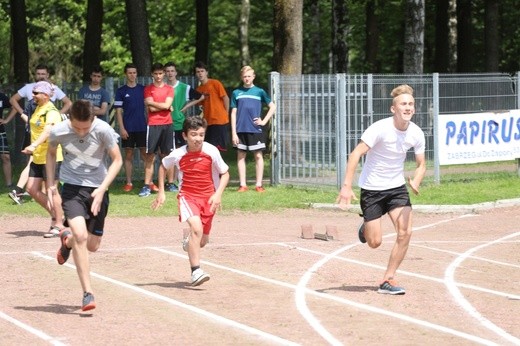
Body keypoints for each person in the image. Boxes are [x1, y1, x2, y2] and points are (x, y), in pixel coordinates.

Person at [336, 84, 426, 295]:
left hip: (396, 188)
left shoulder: (416, 133)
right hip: (372, 189)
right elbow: (356, 154)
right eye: (403, 104)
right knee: (374, 243)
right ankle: (366, 227)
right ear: (393, 108)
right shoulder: (379, 128)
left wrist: (416, 181)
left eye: (411, 104)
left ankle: (388, 279)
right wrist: (346, 187)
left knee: (405, 232)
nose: (408, 107)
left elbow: (422, 164)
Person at [46, 99, 122, 312]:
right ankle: (87, 293)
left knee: (92, 245)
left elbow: (117, 160)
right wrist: (52, 185)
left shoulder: (103, 130)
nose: (81, 132)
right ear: (69, 119)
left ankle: (67, 241)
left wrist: (101, 189)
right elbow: (50, 154)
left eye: (85, 128)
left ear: (93, 119)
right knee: (81, 235)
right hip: (71, 188)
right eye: (76, 127)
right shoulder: (58, 131)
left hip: (98, 188)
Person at [151, 116, 229, 286]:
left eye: (201, 134)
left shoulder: (211, 151)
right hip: (188, 196)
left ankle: (189, 242)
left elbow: (225, 173)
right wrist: (161, 193)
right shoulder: (179, 154)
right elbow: (163, 166)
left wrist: (218, 194)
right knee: (196, 228)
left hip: (208, 199)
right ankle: (196, 271)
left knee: (201, 241)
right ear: (185, 136)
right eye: (194, 134)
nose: (198, 139)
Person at [6, 64, 72, 204]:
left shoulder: (52, 95)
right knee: (32, 163)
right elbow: (13, 100)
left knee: (48, 183)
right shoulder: (29, 88)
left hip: (48, 142)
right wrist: (25, 117)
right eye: (38, 73)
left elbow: (67, 103)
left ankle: (20, 190)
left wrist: (58, 116)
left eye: (43, 73)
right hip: (35, 133)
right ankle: (27, 192)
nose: (34, 95)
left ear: (47, 75)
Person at [21, 81, 66, 236]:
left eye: (36, 93)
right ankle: (57, 214)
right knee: (31, 189)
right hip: (38, 156)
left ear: (46, 95)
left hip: (51, 156)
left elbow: (48, 131)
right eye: (33, 93)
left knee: (52, 190)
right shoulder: (38, 108)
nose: (33, 96)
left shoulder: (51, 111)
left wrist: (33, 145)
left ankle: (58, 224)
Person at [230, 66, 275, 193]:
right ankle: (242, 185)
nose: (247, 78)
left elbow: (272, 106)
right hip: (240, 129)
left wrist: (264, 121)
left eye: (249, 76)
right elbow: (233, 113)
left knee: (258, 156)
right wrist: (234, 132)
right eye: (244, 76)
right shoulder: (236, 92)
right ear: (241, 78)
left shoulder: (259, 91)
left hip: (255, 129)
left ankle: (259, 185)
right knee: (241, 156)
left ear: (253, 76)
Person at [164, 61, 204, 192]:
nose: (170, 73)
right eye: (167, 71)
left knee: (182, 153)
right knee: (169, 153)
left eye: (172, 71)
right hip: (166, 123)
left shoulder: (183, 87)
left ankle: (182, 179)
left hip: (180, 124)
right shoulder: (162, 87)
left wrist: (185, 107)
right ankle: (170, 182)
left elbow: (200, 97)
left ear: (176, 73)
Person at [140, 63, 174, 197]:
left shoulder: (169, 89)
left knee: (167, 155)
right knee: (150, 157)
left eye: (160, 73)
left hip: (168, 124)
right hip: (153, 124)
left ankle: (169, 184)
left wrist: (158, 105)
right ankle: (146, 185)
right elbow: (153, 108)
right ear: (152, 75)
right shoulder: (148, 89)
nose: (158, 76)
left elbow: (165, 104)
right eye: (156, 74)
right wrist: (165, 107)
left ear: (164, 74)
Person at [114, 63, 147, 192]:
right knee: (128, 155)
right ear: (125, 74)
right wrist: (122, 128)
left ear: (137, 74)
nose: (132, 75)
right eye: (130, 73)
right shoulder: (121, 91)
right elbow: (118, 111)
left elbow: (148, 108)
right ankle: (129, 182)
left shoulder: (143, 89)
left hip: (142, 127)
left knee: (146, 155)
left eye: (134, 72)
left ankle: (147, 182)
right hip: (128, 128)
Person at [192, 61, 229, 151]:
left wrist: (226, 113)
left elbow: (226, 98)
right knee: (209, 147)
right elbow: (201, 107)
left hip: (219, 120)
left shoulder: (215, 83)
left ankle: (218, 165)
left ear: (206, 72)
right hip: (207, 121)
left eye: (202, 71)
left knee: (218, 148)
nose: (200, 73)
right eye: (198, 72)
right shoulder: (199, 89)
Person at [0, 89, 13, 187]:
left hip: (0, 131)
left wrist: (6, 120)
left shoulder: (2, 96)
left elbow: (15, 107)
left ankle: (9, 185)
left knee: (6, 157)